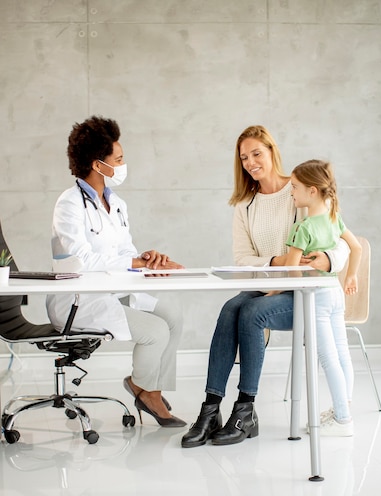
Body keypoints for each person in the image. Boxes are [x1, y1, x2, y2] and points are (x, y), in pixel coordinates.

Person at [181, 125, 349, 448]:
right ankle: (210, 409)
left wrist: (327, 260)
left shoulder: (300, 190)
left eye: (257, 153)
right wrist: (277, 261)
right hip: (266, 286)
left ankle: (245, 411)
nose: (250, 162)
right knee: (230, 308)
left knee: (252, 312)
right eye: (244, 157)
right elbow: (243, 260)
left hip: (303, 293)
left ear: (272, 151)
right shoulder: (245, 206)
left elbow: (339, 239)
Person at [45, 116, 186, 427]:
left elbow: (123, 253)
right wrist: (131, 263)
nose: (123, 165)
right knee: (155, 331)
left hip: (112, 291)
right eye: (118, 159)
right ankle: (143, 390)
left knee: (172, 313)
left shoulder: (117, 203)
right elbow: (80, 259)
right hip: (78, 301)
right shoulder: (68, 205)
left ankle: (151, 387)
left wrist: (145, 259)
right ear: (98, 165)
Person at [275, 159, 361, 436]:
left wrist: (295, 293)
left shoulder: (303, 228)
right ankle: (342, 410)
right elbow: (356, 247)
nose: (291, 192)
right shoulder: (335, 219)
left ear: (312, 191)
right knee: (342, 353)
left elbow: (292, 269)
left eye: (295, 187)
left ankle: (343, 419)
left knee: (327, 357)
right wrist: (351, 276)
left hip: (317, 297)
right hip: (335, 292)